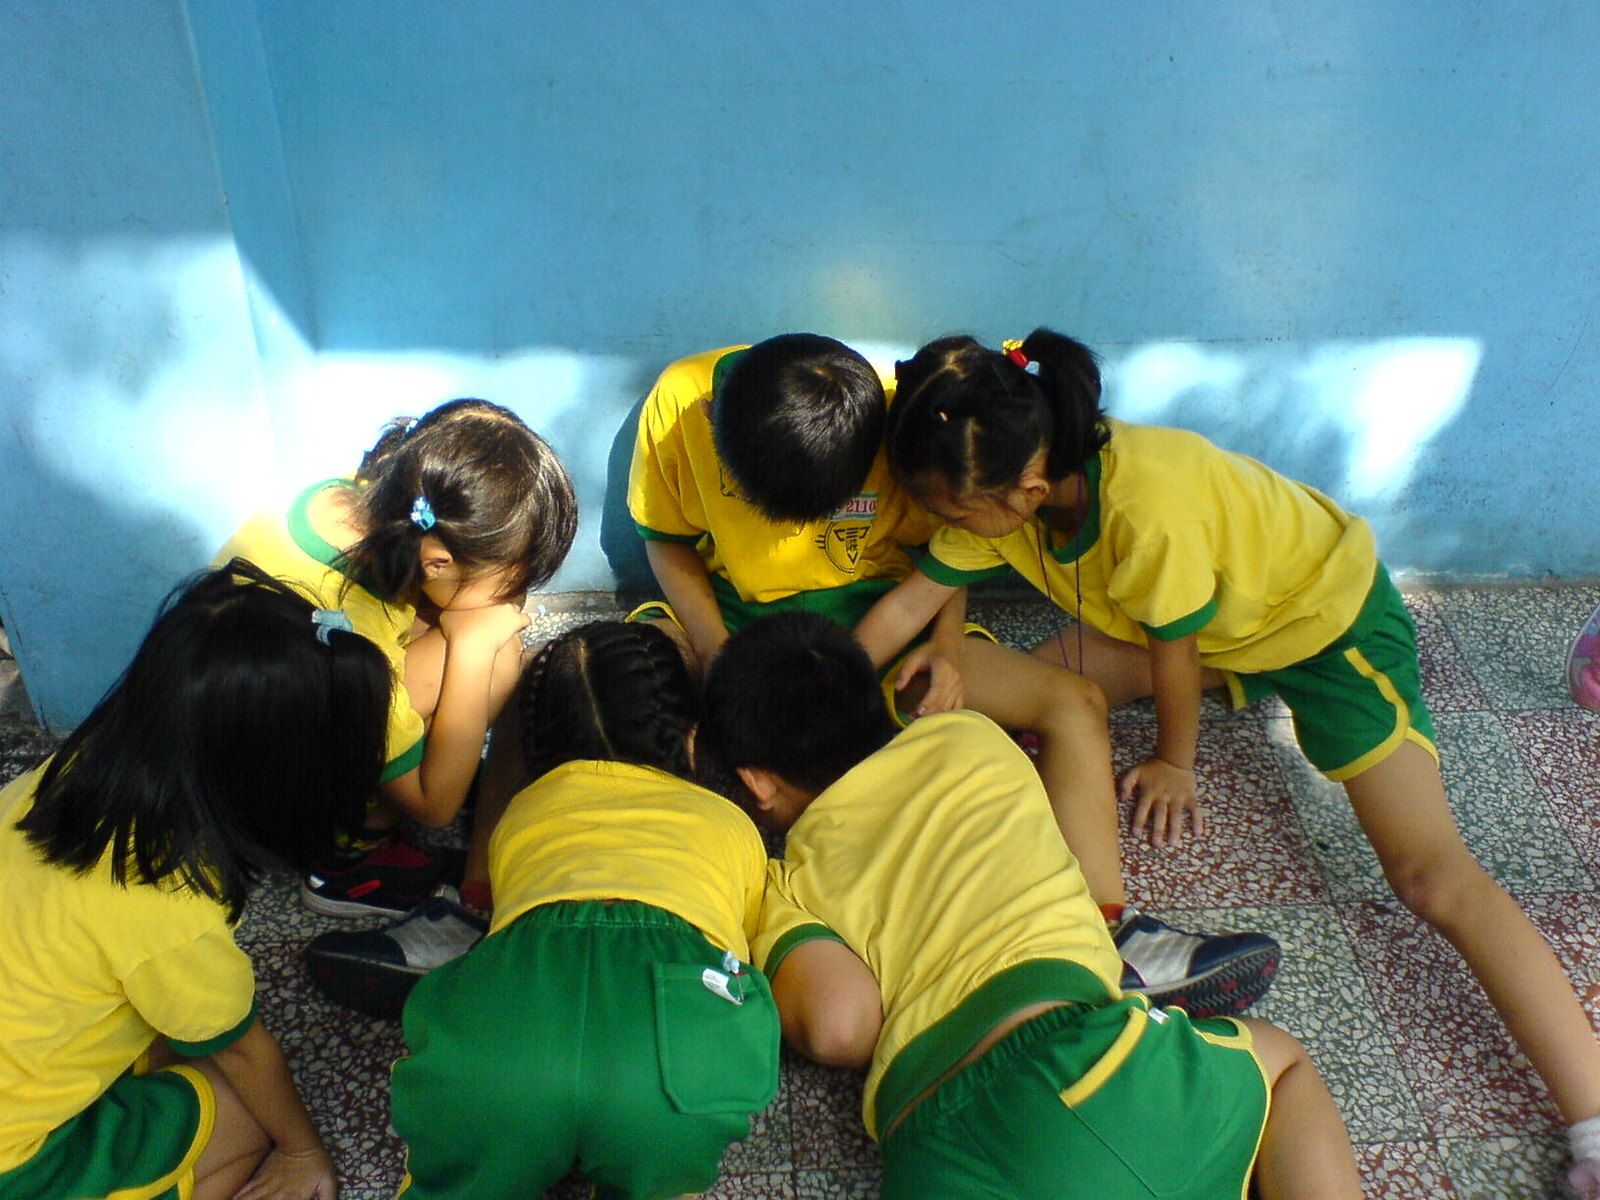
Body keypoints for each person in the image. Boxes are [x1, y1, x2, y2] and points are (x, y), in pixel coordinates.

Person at [854, 327, 1600, 1195]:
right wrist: (823, 704)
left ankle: (1592, 1114)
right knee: (1039, 684)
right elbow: (916, 600)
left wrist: (1175, 762)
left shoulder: (1147, 506)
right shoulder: (1010, 477)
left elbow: (1175, 649)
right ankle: (1204, 733)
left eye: (951, 515)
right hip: (1219, 629)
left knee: (1431, 876)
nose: (944, 530)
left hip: (1326, 629)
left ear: (1024, 491)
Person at [628, 335, 1277, 1015]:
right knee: (629, 682)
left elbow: (945, 553)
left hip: (880, 627)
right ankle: (659, 927)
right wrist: (717, 652)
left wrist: (946, 646)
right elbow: (665, 542)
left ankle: (1106, 934)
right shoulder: (681, 401)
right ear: (716, 429)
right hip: (733, 624)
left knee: (1074, 701)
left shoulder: (902, 420)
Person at [701, 612, 1362, 1199]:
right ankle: (1119, 937)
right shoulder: (970, 737)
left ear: (758, 783)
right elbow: (1067, 701)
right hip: (1091, 1063)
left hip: (938, 1147)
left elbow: (839, 1028)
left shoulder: (789, 883)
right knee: (1283, 1064)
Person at [0, 560, 394, 1200]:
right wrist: (303, 1151)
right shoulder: (169, 905)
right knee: (240, 1117)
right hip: (15, 1162)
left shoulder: (67, 774)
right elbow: (241, 1049)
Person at [388, 621, 777, 1199]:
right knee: (663, 1153)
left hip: (503, 1062)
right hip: (667, 1082)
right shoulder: (733, 825)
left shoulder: (522, 813)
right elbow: (740, 946)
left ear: (539, 747)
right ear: (691, 738)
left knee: (466, 1155)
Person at [218, 398, 577, 935]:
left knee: (467, 624)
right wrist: (474, 648)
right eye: (512, 581)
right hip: (272, 795)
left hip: (264, 711)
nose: (517, 597)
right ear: (438, 562)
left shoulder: (378, 496)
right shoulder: (355, 631)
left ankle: (400, 778)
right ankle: (345, 861)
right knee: (494, 653)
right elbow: (434, 807)